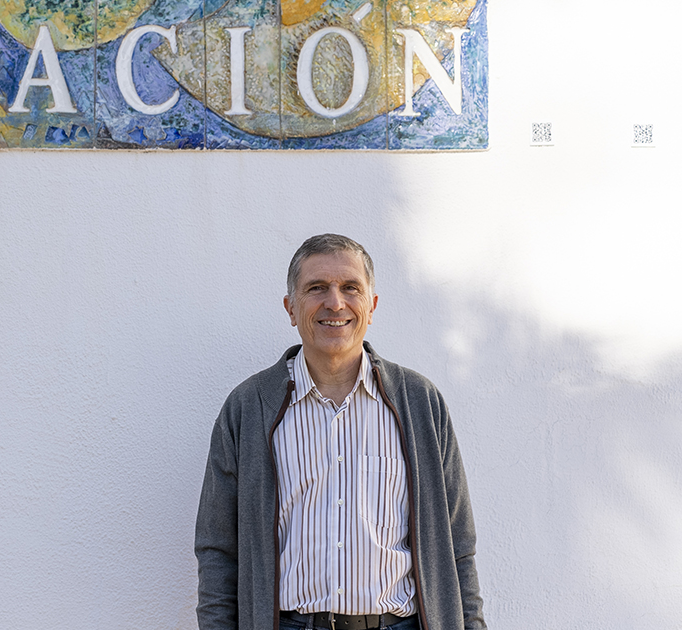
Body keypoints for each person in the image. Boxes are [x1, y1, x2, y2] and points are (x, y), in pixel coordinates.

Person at [195, 234, 485, 630]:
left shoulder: (420, 403)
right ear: (291, 308)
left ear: (372, 305)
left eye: (351, 287)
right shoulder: (248, 408)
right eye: (317, 288)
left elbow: (458, 546)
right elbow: (217, 550)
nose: (335, 302)